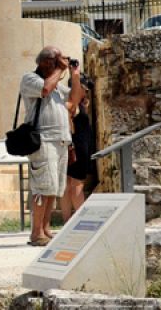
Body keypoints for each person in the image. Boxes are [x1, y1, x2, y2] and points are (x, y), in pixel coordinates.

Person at [18, 46, 86, 246]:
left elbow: (75, 100)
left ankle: (45, 229)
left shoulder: (57, 85)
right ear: (47, 63)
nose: (61, 64)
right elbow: (44, 89)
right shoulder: (30, 79)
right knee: (42, 188)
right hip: (43, 140)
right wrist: (59, 70)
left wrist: (74, 76)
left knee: (52, 189)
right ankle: (35, 233)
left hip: (60, 141)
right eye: (57, 60)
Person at [61, 75, 97, 221]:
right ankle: (80, 219)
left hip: (75, 146)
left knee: (69, 184)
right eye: (85, 89)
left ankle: (67, 220)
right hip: (77, 147)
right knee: (76, 183)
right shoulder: (72, 104)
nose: (86, 92)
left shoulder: (77, 103)